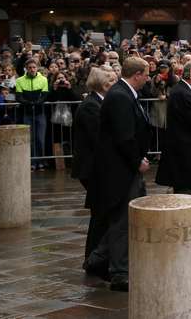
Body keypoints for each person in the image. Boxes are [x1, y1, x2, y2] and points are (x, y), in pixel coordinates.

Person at [85, 57, 151, 292]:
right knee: (122, 221)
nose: (148, 78)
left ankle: (97, 258)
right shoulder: (121, 96)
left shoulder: (126, 93)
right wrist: (137, 161)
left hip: (125, 168)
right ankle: (120, 272)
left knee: (125, 218)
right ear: (137, 75)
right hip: (120, 170)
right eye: (146, 74)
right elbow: (124, 136)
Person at [72, 66, 116, 265]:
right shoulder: (91, 105)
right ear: (104, 84)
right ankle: (93, 258)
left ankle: (95, 257)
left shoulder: (98, 102)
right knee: (100, 214)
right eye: (112, 81)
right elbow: (98, 137)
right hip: (91, 168)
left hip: (98, 167)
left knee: (101, 213)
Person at [156, 63, 191, 194]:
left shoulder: (183, 90)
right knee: (185, 192)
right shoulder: (183, 93)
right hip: (183, 153)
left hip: (184, 150)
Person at [15, 59, 49, 170]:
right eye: (30, 67)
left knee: (40, 138)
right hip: (27, 113)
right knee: (30, 139)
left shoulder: (44, 79)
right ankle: (33, 162)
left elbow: (44, 96)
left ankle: (41, 162)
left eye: (34, 67)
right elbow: (18, 97)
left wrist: (37, 102)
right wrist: (29, 103)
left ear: (37, 67)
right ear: (26, 68)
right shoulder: (20, 80)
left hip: (40, 113)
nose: (32, 69)